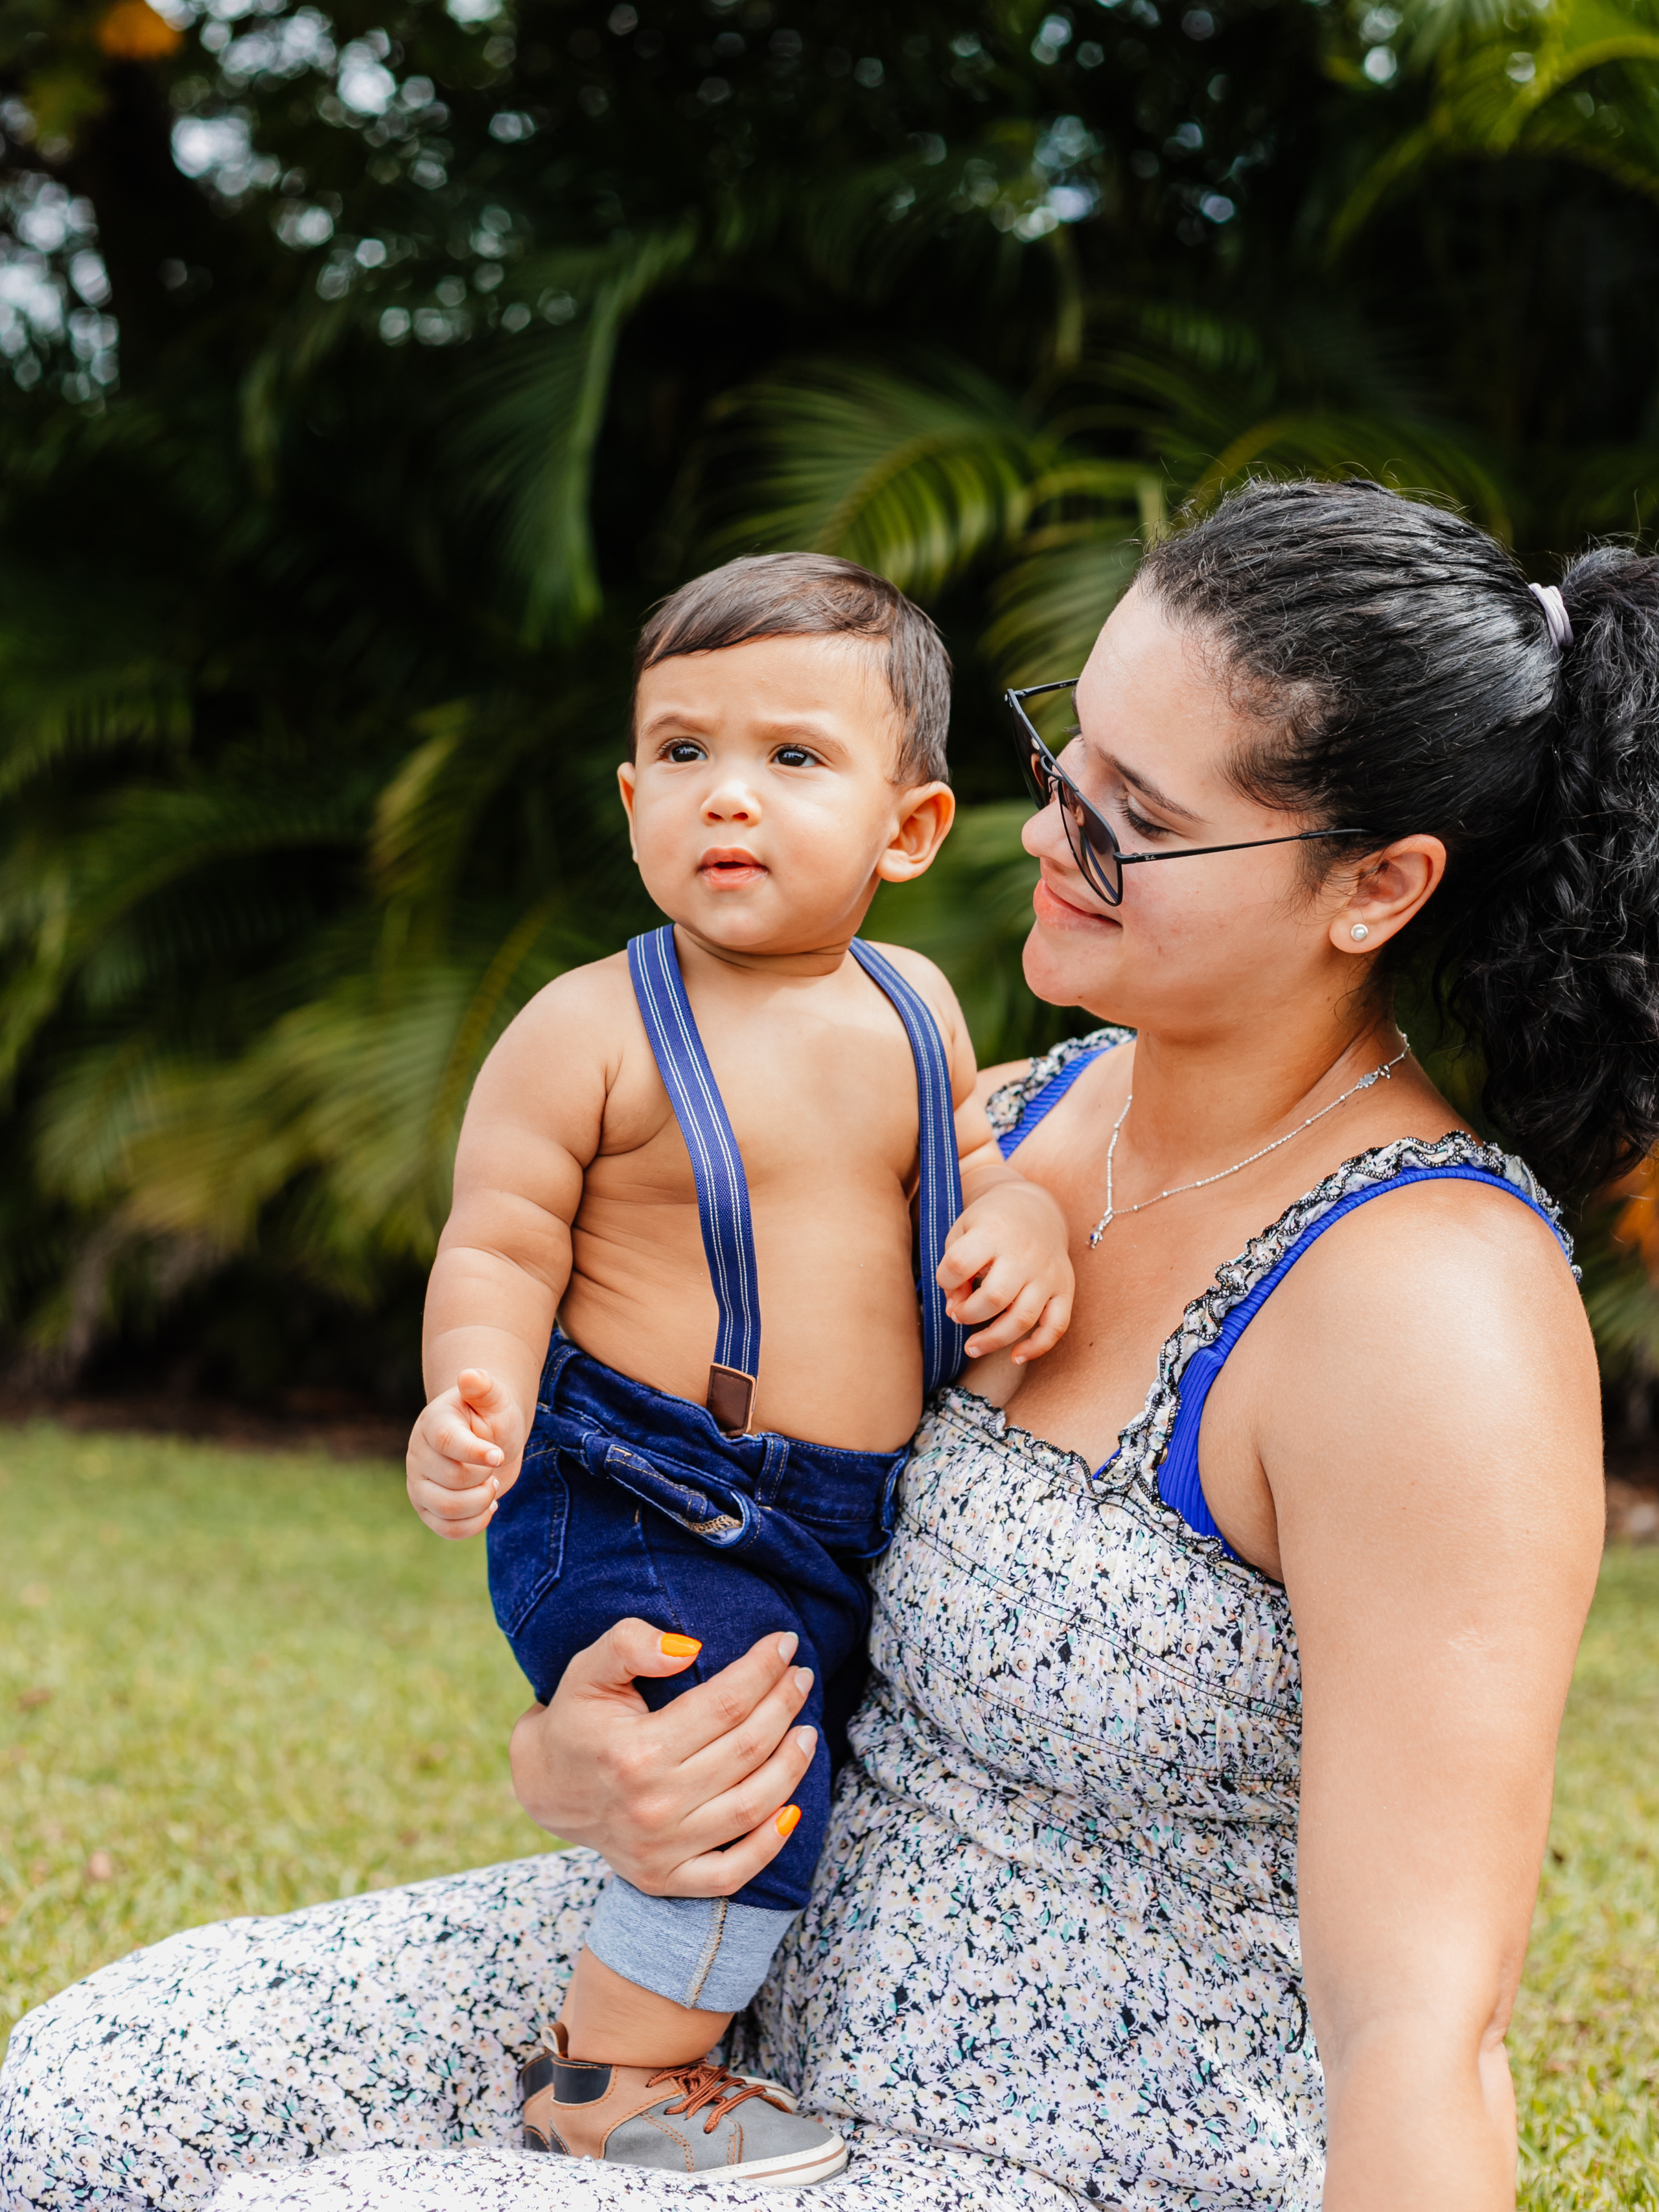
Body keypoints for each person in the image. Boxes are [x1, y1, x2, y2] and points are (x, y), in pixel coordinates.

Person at [3, 477, 1649, 2212]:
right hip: (739, 1979)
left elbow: (1421, 2024)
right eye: (1062, 763)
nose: (1042, 838)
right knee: (68, 2103)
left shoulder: (1429, 1306)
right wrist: (574, 1758)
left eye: (1129, 821)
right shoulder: (1008, 1112)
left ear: (1375, 884)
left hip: (1051, 2144)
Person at [401, 551, 1074, 2183]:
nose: (728, 797)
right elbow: (497, 1243)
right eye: (685, 754)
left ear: (909, 829)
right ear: (631, 798)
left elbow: (978, 1166)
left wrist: (1028, 1223)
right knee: (739, 1783)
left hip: (849, 1511)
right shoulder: (590, 1027)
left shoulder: (914, 1002)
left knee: (813, 1776)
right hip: (641, 1498)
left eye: (791, 759)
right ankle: (609, 2085)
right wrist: (469, 1394)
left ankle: (696, 2020)